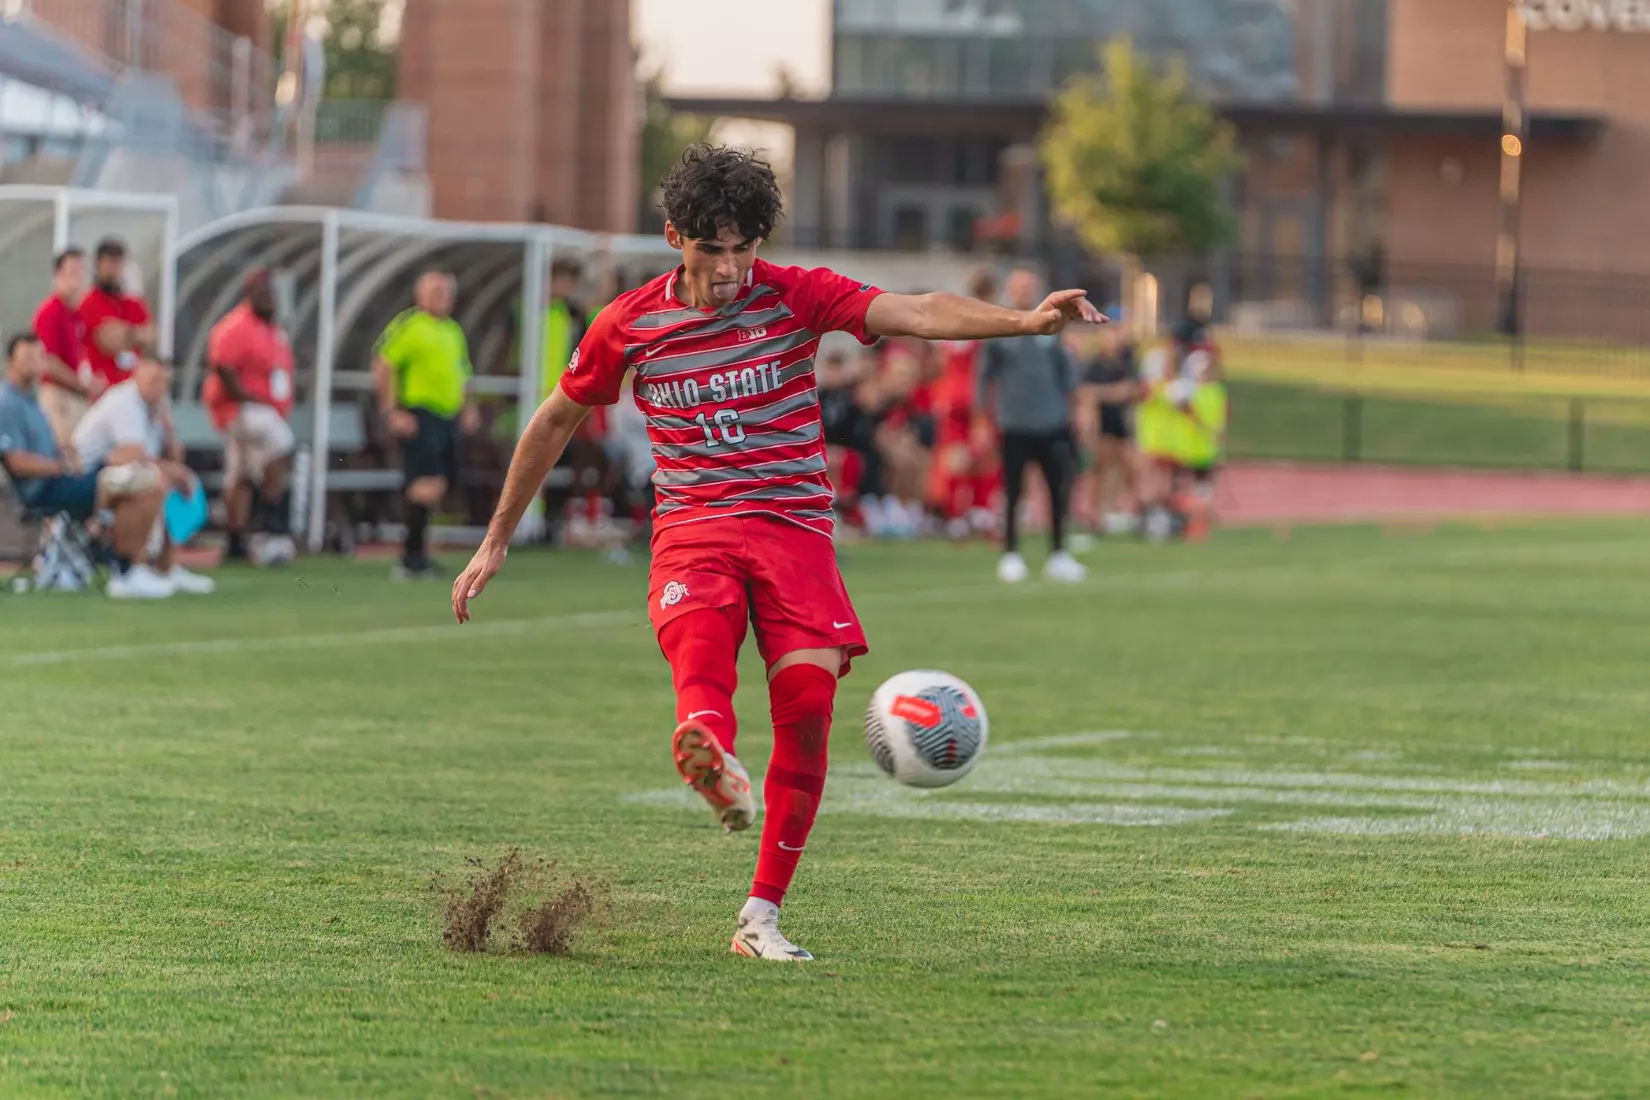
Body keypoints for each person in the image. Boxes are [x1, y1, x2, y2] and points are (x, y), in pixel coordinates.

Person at [450, 145, 1104, 962]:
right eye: (710, 249)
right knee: (703, 650)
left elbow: (918, 313)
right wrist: (497, 536)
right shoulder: (629, 324)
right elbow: (553, 420)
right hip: (697, 528)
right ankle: (709, 752)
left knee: (807, 708)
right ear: (673, 238)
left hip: (795, 531)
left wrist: (1027, 320)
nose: (728, 269)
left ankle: (760, 917)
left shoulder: (795, 296)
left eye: (743, 248)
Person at [0, 333, 173, 599]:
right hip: (43, 489)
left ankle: (136, 568)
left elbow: (48, 448)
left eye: (38, 357)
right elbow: (16, 461)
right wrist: (62, 468)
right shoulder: (7, 402)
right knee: (138, 485)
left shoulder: (31, 401)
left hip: (61, 480)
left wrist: (67, 453)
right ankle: (126, 571)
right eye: (27, 358)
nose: (35, 364)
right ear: (10, 361)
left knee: (147, 483)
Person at [979, 268, 1088, 585]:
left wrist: (1075, 411)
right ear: (1010, 291)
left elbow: (1066, 376)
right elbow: (983, 377)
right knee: (1013, 491)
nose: (1025, 291)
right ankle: (1011, 553)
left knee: (1058, 490)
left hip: (1051, 422)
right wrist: (981, 419)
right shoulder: (1001, 328)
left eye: (1030, 286)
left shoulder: (1053, 327)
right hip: (1014, 422)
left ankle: (1058, 553)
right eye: (1020, 287)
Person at [73, 353, 215, 594]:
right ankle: (130, 570)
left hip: (115, 474)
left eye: (162, 381)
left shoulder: (155, 407)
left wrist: (169, 431)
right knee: (152, 482)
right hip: (86, 477)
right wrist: (174, 471)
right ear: (137, 375)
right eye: (152, 379)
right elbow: (130, 454)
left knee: (166, 479)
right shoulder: (124, 401)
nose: (157, 387)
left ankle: (166, 566)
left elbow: (171, 456)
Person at [373, 269, 480, 579]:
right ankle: (411, 558)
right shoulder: (409, 325)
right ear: (420, 296)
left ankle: (417, 555)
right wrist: (392, 411)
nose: (441, 298)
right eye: (435, 292)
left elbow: (462, 372)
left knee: (439, 484)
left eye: (446, 293)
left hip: (447, 418)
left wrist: (468, 407)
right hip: (420, 414)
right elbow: (383, 364)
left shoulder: (453, 330)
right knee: (425, 483)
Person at [203, 270, 297, 564]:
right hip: (240, 408)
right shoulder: (235, 325)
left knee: (240, 473)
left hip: (264, 409)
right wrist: (257, 399)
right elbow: (224, 368)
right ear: (249, 293)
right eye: (263, 292)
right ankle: (269, 520)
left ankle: (235, 539)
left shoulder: (272, 330)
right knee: (282, 444)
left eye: (271, 293)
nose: (270, 299)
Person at [1074, 310, 1143, 535]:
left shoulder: (1128, 360)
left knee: (1126, 467)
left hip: (1123, 422)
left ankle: (1114, 509)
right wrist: (1112, 393)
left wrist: (1105, 393)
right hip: (1102, 422)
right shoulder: (1095, 364)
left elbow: (1132, 390)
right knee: (1100, 468)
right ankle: (1094, 513)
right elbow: (1085, 392)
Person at [79, 237, 156, 399]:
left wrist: (125, 333)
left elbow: (151, 337)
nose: (114, 268)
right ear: (98, 264)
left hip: (133, 389)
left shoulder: (134, 303)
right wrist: (136, 334)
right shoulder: (89, 301)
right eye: (109, 262)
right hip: (102, 390)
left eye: (118, 262)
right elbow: (108, 340)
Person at [32, 247, 92, 446]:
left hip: (74, 394)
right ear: (59, 274)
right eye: (72, 272)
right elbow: (50, 362)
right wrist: (82, 385)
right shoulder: (50, 311)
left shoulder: (75, 313)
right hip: (57, 394)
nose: (77, 278)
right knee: (64, 447)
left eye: (80, 271)